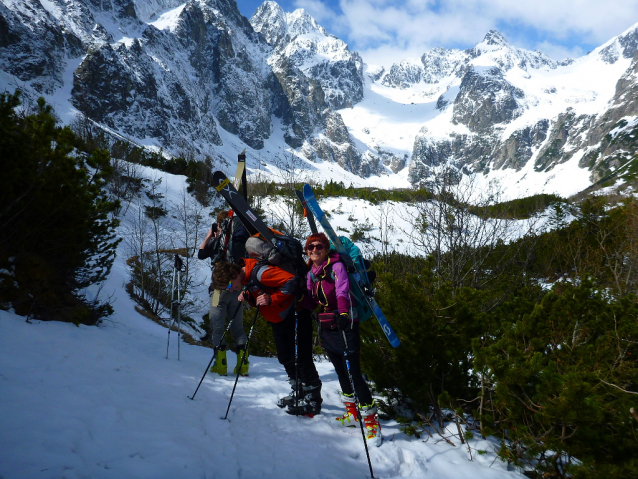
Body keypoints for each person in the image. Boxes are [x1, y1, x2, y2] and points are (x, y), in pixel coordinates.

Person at [211, 255, 323, 417]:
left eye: (229, 284)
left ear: (234, 274)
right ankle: (298, 391)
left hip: (294, 314)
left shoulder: (259, 272)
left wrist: (271, 299)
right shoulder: (246, 278)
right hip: (279, 317)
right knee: (285, 357)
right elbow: (263, 292)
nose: (230, 289)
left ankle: (313, 399)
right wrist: (250, 296)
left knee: (300, 358)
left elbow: (291, 282)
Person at [304, 232, 382, 445]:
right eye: (310, 248)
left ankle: (372, 421)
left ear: (326, 248)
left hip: (345, 323)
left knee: (354, 373)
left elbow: (342, 291)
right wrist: (300, 298)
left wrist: (345, 314)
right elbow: (311, 300)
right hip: (327, 325)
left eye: (318, 246)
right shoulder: (311, 272)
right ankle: (352, 413)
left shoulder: (336, 266)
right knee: (340, 370)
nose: (314, 250)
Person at [198, 210, 250, 376]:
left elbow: (201, 254)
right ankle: (243, 365)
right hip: (236, 290)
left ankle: (220, 364)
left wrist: (209, 236)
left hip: (218, 292)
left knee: (217, 328)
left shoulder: (218, 241)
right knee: (238, 329)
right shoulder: (238, 242)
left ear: (219, 224)